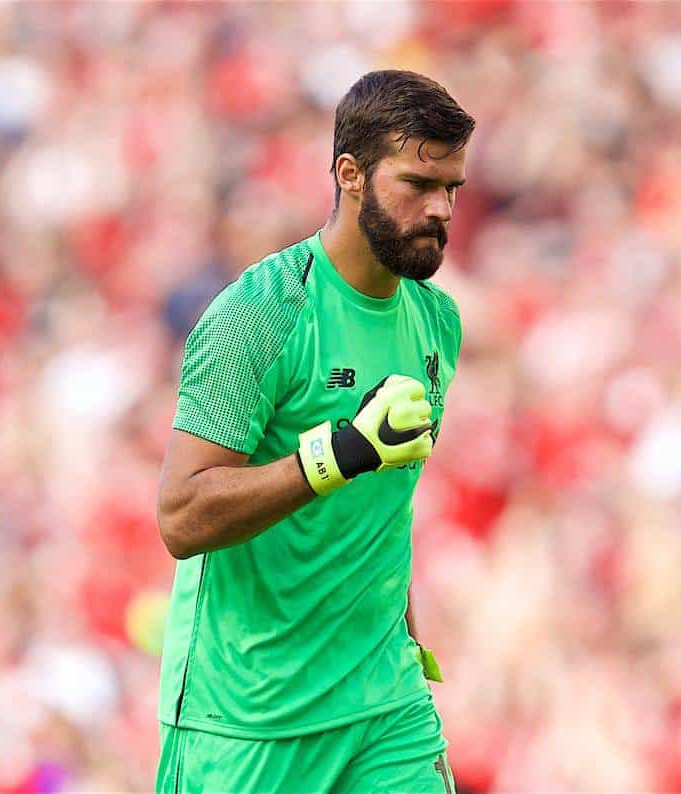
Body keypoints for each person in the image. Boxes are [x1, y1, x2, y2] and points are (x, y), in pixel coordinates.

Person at [153, 70, 474, 793]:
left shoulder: (437, 323)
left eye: (451, 187)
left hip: (384, 704)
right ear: (350, 175)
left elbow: (385, 506)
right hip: (247, 718)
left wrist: (408, 631)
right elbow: (181, 516)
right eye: (417, 185)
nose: (440, 208)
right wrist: (334, 456)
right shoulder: (259, 314)